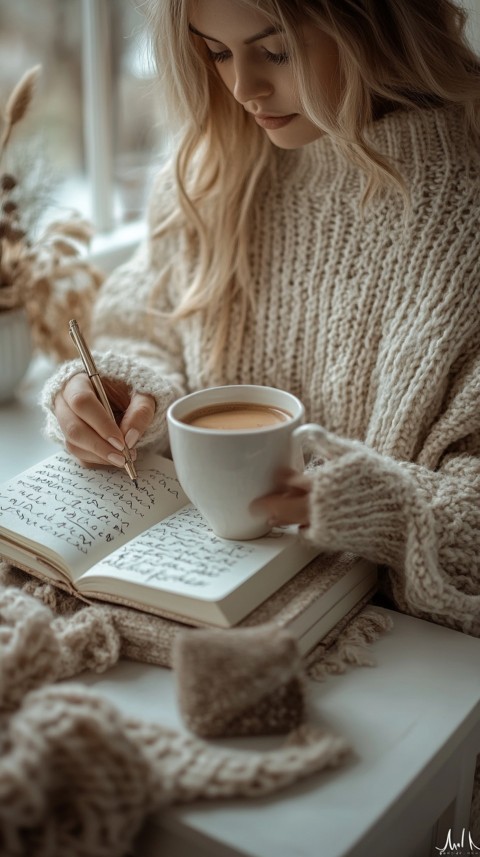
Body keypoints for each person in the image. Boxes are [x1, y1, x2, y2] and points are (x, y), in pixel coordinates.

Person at [42, 0, 480, 636]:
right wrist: (123, 391)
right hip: (197, 608)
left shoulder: (464, 207)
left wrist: (392, 510)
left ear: (381, 22)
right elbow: (144, 331)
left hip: (402, 659)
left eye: (278, 51)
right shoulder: (211, 170)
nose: (244, 88)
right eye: (217, 53)